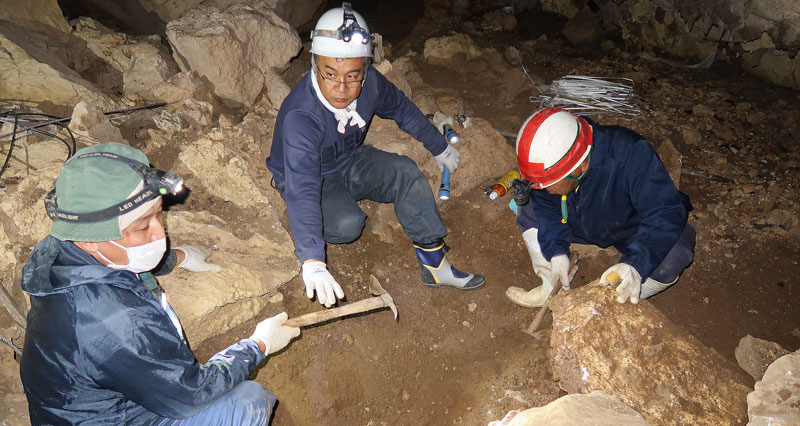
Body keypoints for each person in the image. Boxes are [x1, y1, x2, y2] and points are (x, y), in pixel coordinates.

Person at [20, 142, 301, 426]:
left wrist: (174, 258)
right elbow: (191, 393)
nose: (159, 234)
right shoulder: (110, 321)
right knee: (246, 406)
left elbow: (118, 261)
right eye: (143, 227)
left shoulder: (65, 251)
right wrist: (257, 344)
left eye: (158, 217)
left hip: (115, 418)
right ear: (90, 237)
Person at [267, 2, 484, 308]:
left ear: (365, 68)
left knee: (405, 172)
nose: (342, 88)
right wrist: (313, 259)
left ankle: (435, 266)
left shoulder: (371, 85)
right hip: (305, 175)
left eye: (353, 75)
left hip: (348, 159)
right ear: (315, 63)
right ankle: (322, 220)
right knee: (347, 225)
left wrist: (438, 145)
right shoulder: (301, 117)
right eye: (330, 73)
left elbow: (402, 109)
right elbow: (303, 187)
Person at [506, 107, 695, 306]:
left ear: (580, 166)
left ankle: (611, 301)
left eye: (548, 184)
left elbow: (665, 211)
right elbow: (544, 204)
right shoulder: (553, 166)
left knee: (676, 252)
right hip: (576, 219)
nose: (542, 189)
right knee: (527, 204)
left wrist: (635, 264)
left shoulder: (631, 153)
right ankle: (550, 285)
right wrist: (556, 252)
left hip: (629, 228)